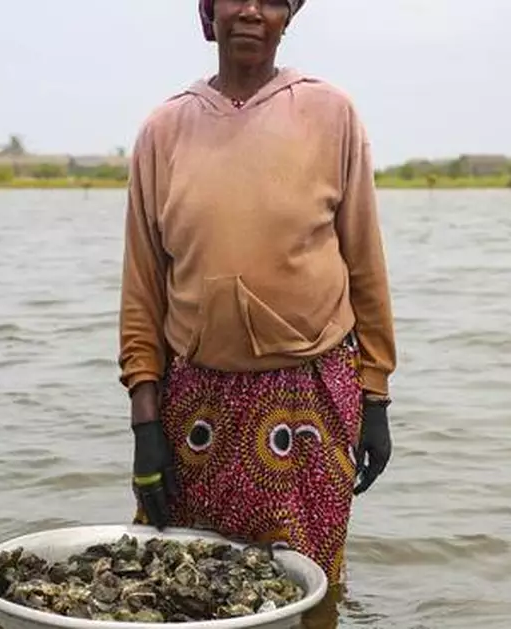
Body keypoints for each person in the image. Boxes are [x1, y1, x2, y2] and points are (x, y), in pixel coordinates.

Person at [117, 0, 396, 603]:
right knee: (182, 593)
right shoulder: (163, 130)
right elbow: (142, 290)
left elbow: (366, 266)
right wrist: (145, 427)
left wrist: (375, 397)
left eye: (270, 0)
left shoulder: (331, 114)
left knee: (305, 595)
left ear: (288, 16)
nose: (250, 11)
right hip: (195, 407)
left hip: (309, 405)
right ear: (207, 12)